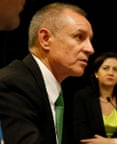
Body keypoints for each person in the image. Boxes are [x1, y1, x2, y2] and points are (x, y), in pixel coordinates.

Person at [0, 2, 94, 144]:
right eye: (79, 37)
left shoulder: (53, 89)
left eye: (90, 40)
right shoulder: (13, 84)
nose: (90, 49)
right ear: (45, 39)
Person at [72, 51, 117, 144]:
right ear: (96, 73)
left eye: (115, 69)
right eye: (106, 68)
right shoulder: (83, 97)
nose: (111, 73)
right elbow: (82, 138)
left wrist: (111, 142)